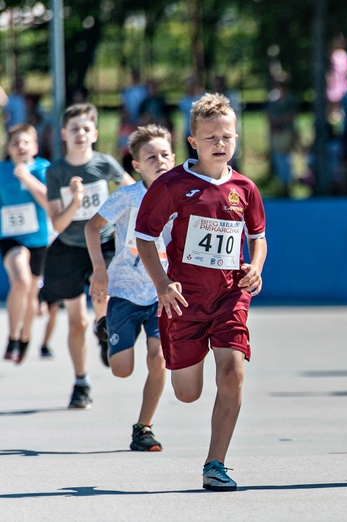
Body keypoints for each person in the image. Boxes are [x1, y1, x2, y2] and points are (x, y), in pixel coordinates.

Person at [135, 93, 266, 491]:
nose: (219, 144)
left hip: (230, 295)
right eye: (210, 137)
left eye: (227, 136)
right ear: (192, 141)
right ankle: (190, 361)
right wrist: (162, 283)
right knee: (188, 392)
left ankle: (216, 464)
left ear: (237, 138)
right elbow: (144, 237)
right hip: (184, 301)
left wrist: (255, 268)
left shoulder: (244, 188)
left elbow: (258, 237)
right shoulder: (172, 184)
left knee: (232, 369)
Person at [84, 124, 175, 452]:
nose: (160, 160)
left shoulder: (182, 197)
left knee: (158, 357)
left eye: (165, 154)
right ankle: (105, 327)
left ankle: (143, 427)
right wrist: (100, 271)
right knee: (122, 370)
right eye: (151, 156)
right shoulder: (126, 197)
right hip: (123, 291)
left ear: (175, 157)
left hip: (161, 293)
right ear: (137, 165)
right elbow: (92, 228)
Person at [40, 102, 135, 409]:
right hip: (69, 246)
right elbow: (57, 222)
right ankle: (81, 382)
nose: (80, 133)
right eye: (74, 129)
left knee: (101, 293)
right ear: (64, 134)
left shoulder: (105, 163)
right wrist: (76, 199)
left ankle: (105, 328)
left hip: (103, 243)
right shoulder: (56, 171)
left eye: (85, 128)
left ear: (94, 133)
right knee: (77, 321)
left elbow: (131, 190)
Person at [0, 124, 51, 364]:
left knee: (31, 292)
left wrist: (27, 178)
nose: (20, 147)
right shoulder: (2, 170)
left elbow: (49, 202)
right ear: (8, 148)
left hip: (38, 239)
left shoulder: (43, 168)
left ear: (35, 147)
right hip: (10, 237)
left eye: (25, 142)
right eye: (15, 143)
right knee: (19, 280)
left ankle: (25, 337)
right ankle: (11, 337)